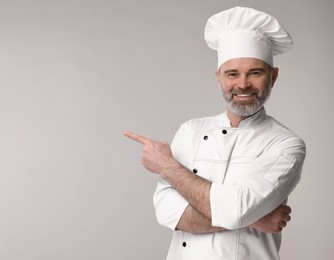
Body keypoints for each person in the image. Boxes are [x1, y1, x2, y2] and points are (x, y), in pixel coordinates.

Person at [124, 6, 306, 260]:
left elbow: (233, 211)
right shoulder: (191, 130)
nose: (242, 84)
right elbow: (167, 210)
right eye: (232, 74)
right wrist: (253, 218)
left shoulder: (286, 144)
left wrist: (167, 166)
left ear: (273, 77)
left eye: (255, 72)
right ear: (219, 77)